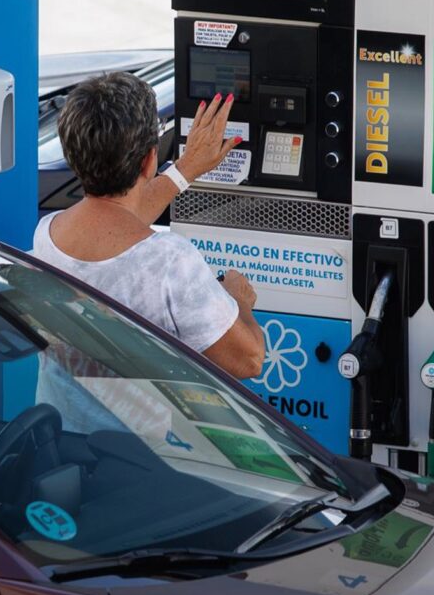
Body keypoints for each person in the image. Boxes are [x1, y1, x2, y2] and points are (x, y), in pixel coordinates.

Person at [32, 71, 265, 380]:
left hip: (60, 425)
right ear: (149, 160)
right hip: (138, 431)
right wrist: (239, 301)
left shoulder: (48, 234)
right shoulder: (170, 261)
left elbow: (117, 222)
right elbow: (248, 360)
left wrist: (185, 170)